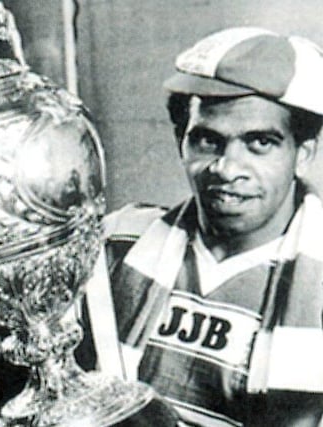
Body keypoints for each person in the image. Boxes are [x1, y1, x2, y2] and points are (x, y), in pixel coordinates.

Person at [82, 27, 323, 426]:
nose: (227, 169)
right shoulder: (119, 242)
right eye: (208, 141)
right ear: (182, 142)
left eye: (259, 143)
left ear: (303, 154)